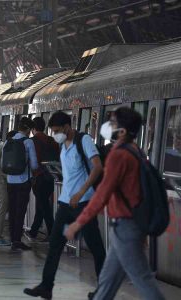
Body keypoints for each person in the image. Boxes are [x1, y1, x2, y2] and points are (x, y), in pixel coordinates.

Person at [64, 107, 165, 300]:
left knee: (142, 278)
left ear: (122, 131)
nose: (107, 126)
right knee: (107, 283)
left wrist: (79, 222)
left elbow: (102, 193)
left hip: (126, 226)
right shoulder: (135, 151)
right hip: (127, 226)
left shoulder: (118, 156)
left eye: (112, 123)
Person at [24, 111, 106, 299]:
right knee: (55, 245)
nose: (56, 134)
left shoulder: (84, 141)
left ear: (67, 127)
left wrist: (81, 191)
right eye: (53, 131)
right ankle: (46, 286)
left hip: (84, 202)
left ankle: (104, 289)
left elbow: (98, 167)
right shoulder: (63, 144)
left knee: (95, 247)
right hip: (66, 202)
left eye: (58, 130)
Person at [5, 117, 39, 251]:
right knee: (20, 211)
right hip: (24, 181)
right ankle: (17, 240)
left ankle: (12, 239)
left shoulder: (8, 141)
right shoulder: (28, 142)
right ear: (29, 129)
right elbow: (34, 164)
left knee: (12, 210)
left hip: (10, 181)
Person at [24, 117, 60, 241]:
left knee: (44, 206)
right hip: (50, 176)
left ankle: (53, 233)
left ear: (33, 128)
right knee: (42, 203)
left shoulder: (31, 141)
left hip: (37, 177)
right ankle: (34, 231)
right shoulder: (52, 141)